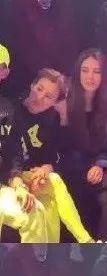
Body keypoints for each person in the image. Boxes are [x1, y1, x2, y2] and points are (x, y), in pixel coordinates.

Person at [59, 48, 107, 243]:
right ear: (77, 72)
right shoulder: (65, 105)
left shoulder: (106, 105)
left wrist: (99, 165)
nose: (90, 76)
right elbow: (64, 149)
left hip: (97, 173)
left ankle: (102, 249)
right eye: (85, 70)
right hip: (73, 174)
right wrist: (88, 168)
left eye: (97, 71)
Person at [17, 68, 96, 242]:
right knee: (55, 183)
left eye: (48, 96)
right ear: (32, 85)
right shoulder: (11, 110)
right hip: (12, 175)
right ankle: (85, 240)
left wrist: (43, 171)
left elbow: (51, 157)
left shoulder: (51, 120)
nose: (40, 97)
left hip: (33, 176)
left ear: (55, 102)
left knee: (51, 201)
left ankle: (50, 253)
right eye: (39, 89)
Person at [0, 43, 49, 242]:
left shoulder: (8, 110)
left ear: (4, 73)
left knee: (34, 210)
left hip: (2, 188)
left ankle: (36, 261)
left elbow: (13, 155)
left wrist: (18, 183)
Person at [9, 0, 78, 92]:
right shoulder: (20, 5)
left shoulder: (64, 5)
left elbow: (70, 42)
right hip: (31, 77)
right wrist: (48, 76)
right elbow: (23, 47)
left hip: (62, 76)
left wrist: (66, 74)